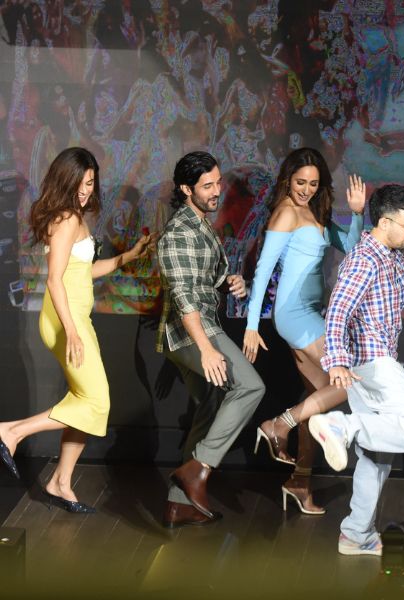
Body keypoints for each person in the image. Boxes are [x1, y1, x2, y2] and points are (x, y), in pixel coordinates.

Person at [0, 147, 151, 512]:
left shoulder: (75, 216)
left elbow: (83, 271)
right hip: (64, 320)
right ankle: (11, 431)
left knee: (87, 403)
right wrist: (71, 330)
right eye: (81, 183)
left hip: (77, 318)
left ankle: (60, 482)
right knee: (97, 401)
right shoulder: (66, 219)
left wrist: (127, 256)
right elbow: (55, 280)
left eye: (91, 183)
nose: (86, 191)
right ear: (65, 181)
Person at [308, 184, 404, 556]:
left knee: (376, 459)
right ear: (385, 222)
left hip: (367, 367)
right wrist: (336, 360)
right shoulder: (364, 260)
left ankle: (355, 534)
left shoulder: (390, 256)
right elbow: (337, 311)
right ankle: (343, 426)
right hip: (374, 364)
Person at [242, 147, 365, 515]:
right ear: (287, 180)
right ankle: (278, 425)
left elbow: (352, 247)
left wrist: (358, 213)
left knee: (317, 402)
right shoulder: (286, 212)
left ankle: (299, 481)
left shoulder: (316, 212)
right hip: (294, 314)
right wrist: (251, 325)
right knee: (347, 382)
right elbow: (263, 270)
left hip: (312, 312)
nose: (306, 189)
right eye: (300, 182)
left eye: (313, 184)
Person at [157, 151, 265, 529]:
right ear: (186, 189)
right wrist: (206, 350)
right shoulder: (178, 233)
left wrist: (230, 281)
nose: (217, 191)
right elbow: (184, 298)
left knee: (209, 405)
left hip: (198, 327)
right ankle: (198, 469)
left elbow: (206, 277)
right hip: (191, 332)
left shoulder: (201, 225)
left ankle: (179, 505)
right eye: (207, 186)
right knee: (249, 386)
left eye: (218, 182)